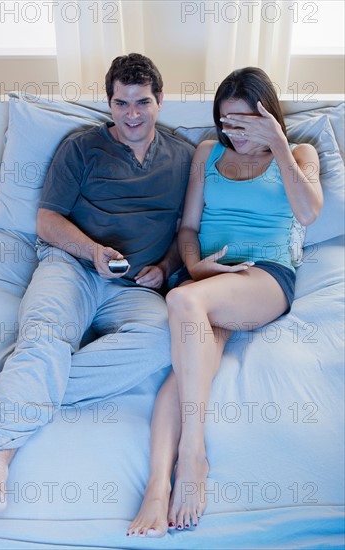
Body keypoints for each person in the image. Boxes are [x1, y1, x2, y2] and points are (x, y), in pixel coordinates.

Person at [0, 53, 194, 514]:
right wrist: (92, 251)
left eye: (142, 103)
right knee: (45, 334)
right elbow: (46, 220)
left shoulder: (182, 158)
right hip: (72, 265)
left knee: (162, 341)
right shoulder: (81, 148)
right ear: (110, 102)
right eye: (121, 103)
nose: (131, 115)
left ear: (161, 100)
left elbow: (185, 231)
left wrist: (166, 264)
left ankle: (3, 399)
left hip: (136, 286)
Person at [127, 66, 323, 537]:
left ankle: (193, 456)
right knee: (182, 377)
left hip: (262, 278)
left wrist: (276, 142)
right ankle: (157, 488)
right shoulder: (207, 153)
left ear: (267, 116)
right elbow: (188, 229)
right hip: (208, 281)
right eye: (225, 122)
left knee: (182, 304)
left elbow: (309, 211)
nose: (232, 133)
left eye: (243, 122)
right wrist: (195, 269)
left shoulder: (298, 153)